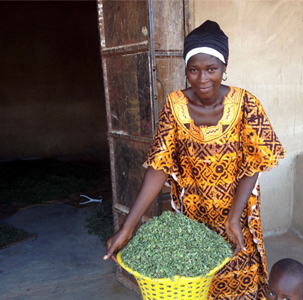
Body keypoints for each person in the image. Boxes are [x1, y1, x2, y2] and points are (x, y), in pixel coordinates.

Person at [104, 20, 285, 299]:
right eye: (194, 70)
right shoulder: (174, 106)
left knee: (240, 278)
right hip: (193, 218)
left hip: (237, 213)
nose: (202, 79)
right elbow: (158, 167)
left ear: (224, 67)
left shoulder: (246, 104)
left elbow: (256, 162)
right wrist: (128, 227)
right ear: (186, 69)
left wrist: (234, 217)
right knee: (194, 285)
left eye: (211, 69)